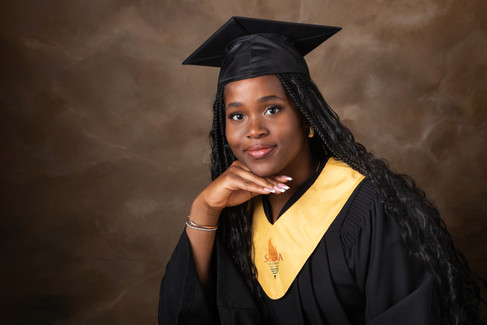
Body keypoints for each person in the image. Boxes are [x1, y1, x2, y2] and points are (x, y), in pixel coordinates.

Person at [158, 17, 485, 325]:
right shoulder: (236, 214)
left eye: (272, 109)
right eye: (237, 116)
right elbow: (187, 314)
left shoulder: (368, 207)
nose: (253, 130)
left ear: (308, 119)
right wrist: (205, 209)